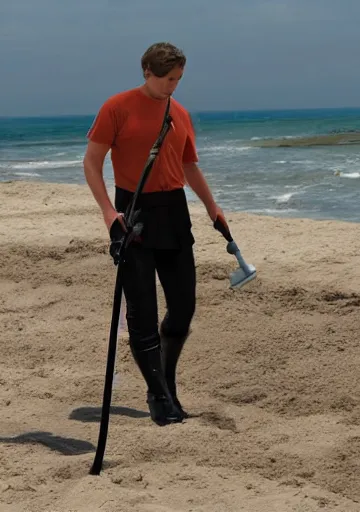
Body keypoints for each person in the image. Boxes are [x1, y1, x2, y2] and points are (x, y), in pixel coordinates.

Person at [83, 41, 229, 426]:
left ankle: (165, 380)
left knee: (183, 308)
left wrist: (213, 209)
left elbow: (189, 167)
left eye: (178, 79)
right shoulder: (116, 108)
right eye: (167, 79)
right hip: (133, 213)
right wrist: (108, 213)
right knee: (143, 312)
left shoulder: (178, 112)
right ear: (147, 71)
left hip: (175, 213)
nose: (173, 87)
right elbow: (92, 162)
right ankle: (158, 394)